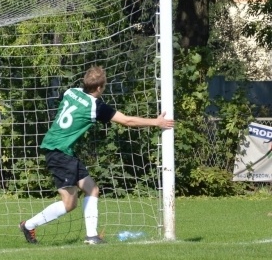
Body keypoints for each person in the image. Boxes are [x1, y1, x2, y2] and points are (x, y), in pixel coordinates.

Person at [19, 66, 174, 245]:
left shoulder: (70, 92)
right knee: (70, 203)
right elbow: (126, 121)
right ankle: (28, 225)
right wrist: (156, 122)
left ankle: (91, 236)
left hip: (62, 151)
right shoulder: (95, 106)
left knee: (92, 189)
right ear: (100, 88)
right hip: (59, 152)